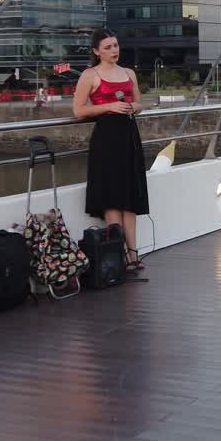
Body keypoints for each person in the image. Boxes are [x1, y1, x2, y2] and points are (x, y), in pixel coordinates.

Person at [73, 28, 149, 272]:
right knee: (112, 197)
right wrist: (110, 106)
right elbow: (79, 110)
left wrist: (133, 107)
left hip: (129, 137)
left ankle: (133, 254)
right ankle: (119, 255)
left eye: (115, 45)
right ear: (97, 51)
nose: (114, 50)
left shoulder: (128, 73)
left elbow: (139, 103)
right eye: (107, 47)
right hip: (106, 140)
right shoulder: (90, 74)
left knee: (129, 197)